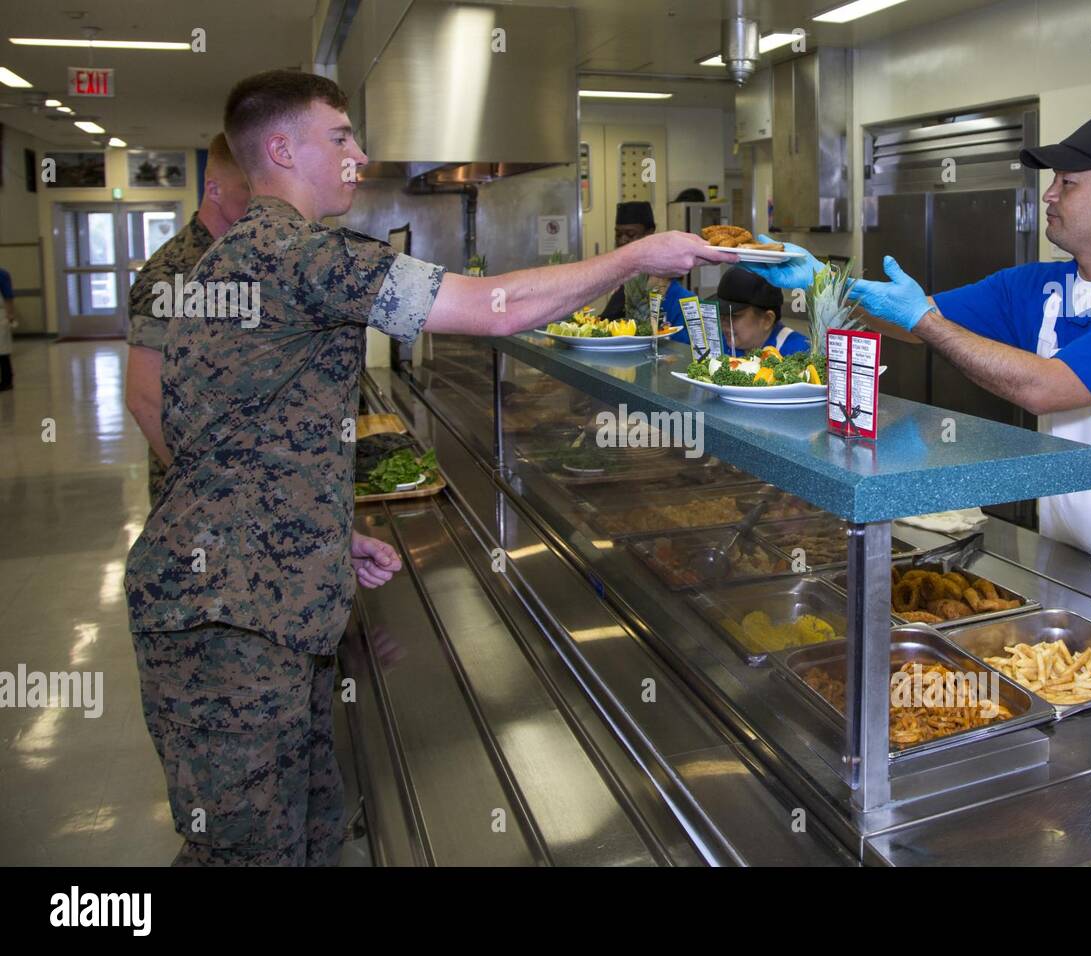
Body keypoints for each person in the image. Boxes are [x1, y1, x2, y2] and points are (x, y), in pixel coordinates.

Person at [123, 69, 734, 866]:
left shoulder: (244, 255)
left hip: (260, 602)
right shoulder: (296, 254)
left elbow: (227, 440)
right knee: (242, 853)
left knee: (306, 833)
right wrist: (631, 259)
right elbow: (491, 308)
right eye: (339, 138)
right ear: (279, 148)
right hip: (225, 626)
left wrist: (318, 534)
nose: (359, 153)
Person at [745, 114, 1091, 591]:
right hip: (1063, 551)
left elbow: (1045, 388)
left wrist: (923, 320)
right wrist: (826, 281)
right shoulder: (1038, 285)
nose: (1048, 194)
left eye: (1067, 183)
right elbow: (913, 319)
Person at [125, 133, 251, 504]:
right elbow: (144, 399)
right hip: (199, 499)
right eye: (249, 189)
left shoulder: (237, 260)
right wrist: (205, 492)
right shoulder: (175, 273)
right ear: (214, 189)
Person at [599, 201, 691, 328]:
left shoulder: (666, 283)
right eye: (618, 234)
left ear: (650, 233)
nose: (622, 240)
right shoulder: (624, 280)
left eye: (630, 234)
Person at [702, 266, 810, 357]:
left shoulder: (800, 352)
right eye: (722, 314)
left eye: (733, 315)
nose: (724, 322)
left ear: (767, 320)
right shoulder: (720, 342)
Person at [0, 267, 14, 391]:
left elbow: (8, 296)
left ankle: (6, 381)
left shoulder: (2, 274)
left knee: (2, 351)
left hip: (1, 315)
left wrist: (10, 315)